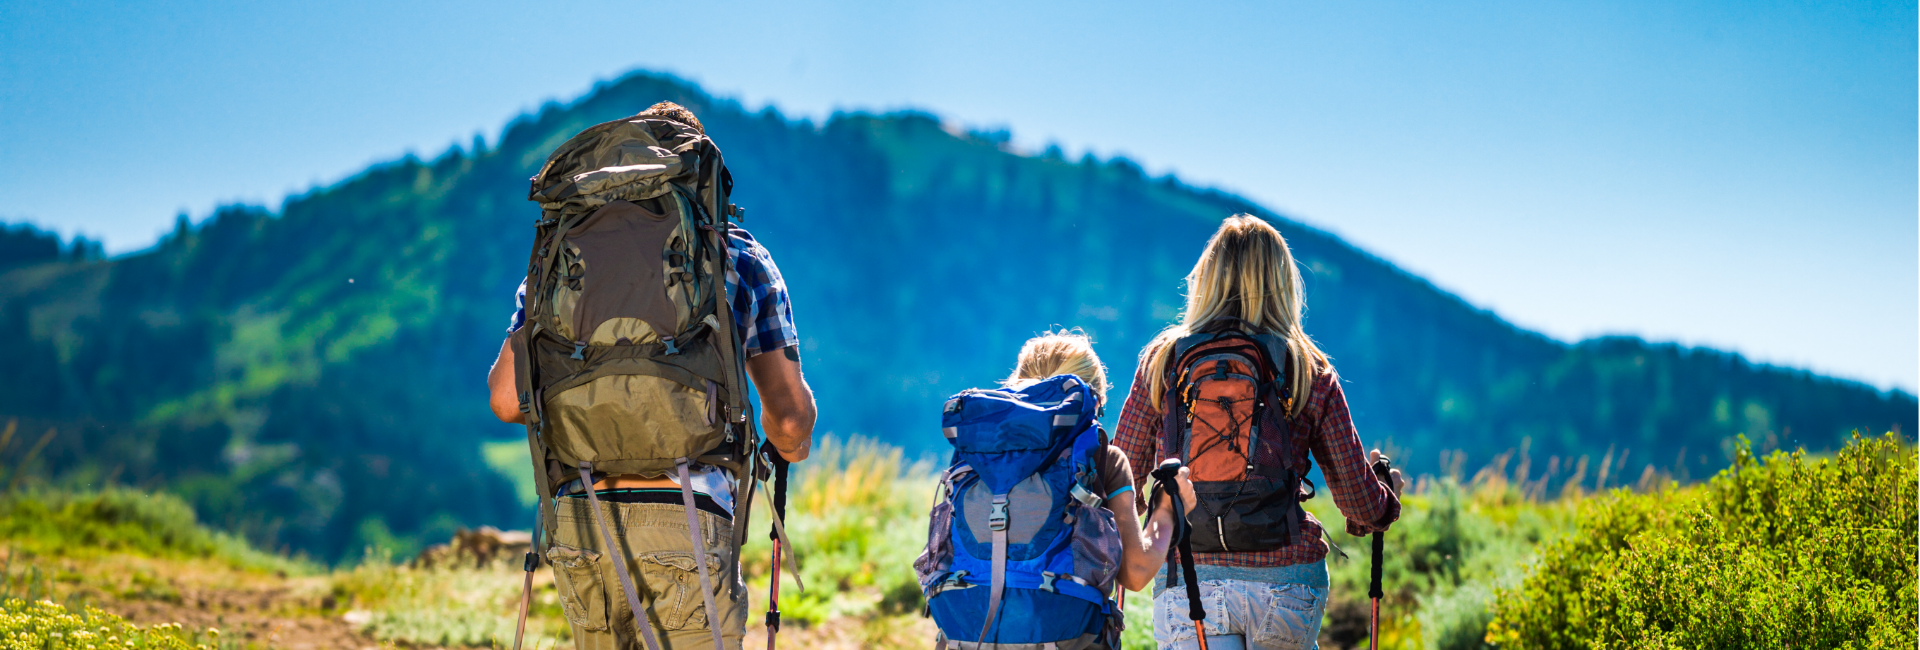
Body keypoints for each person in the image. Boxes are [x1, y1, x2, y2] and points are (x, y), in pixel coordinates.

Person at [486, 101, 817, 650]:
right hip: (688, 510)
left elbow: (504, 400)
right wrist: (793, 441)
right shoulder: (738, 257)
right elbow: (786, 421)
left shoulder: (557, 261)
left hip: (580, 512)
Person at [1112, 215, 1405, 650]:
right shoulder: (1308, 368)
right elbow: (1360, 504)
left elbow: (1121, 483)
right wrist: (1385, 497)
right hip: (1286, 584)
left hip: (1188, 580)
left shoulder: (1163, 362)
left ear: (1206, 279)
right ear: (1282, 284)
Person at [999, 331, 1197, 594]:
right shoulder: (1106, 460)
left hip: (972, 624)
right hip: (1066, 628)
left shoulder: (985, 455)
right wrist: (1167, 510)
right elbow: (1135, 573)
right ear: (1092, 402)